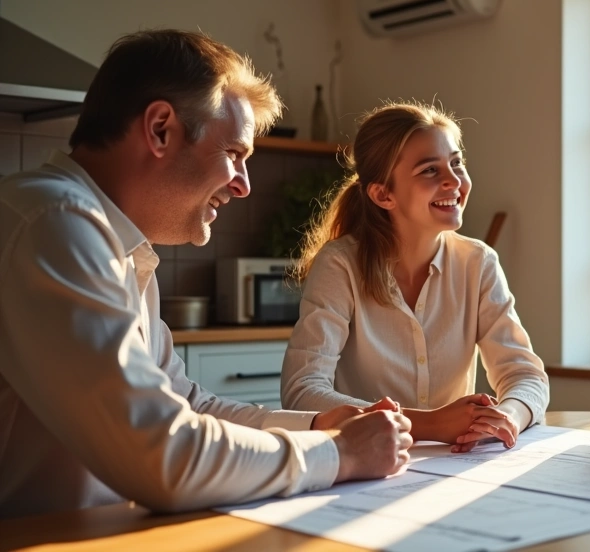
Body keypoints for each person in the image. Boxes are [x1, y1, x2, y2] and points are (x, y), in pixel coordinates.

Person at [0, 30, 412, 519]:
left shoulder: (120, 247)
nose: (243, 186)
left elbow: (185, 404)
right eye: (234, 154)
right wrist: (340, 453)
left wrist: (318, 424)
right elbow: (163, 455)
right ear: (159, 129)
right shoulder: (55, 223)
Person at [280, 101, 549, 452]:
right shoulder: (341, 265)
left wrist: (508, 416)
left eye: (456, 163)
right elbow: (301, 392)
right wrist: (430, 424)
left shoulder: (478, 262)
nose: (454, 181)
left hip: (454, 466)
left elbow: (526, 376)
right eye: (429, 171)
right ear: (383, 194)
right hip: (361, 466)